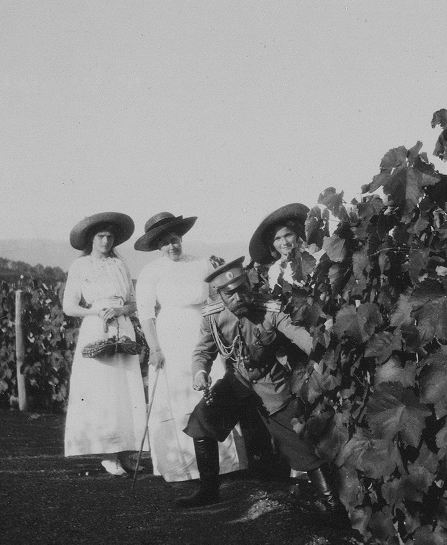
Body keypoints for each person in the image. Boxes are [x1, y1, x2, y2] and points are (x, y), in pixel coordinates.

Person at [176, 257, 342, 517]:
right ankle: (208, 490)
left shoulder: (270, 310)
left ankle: (333, 506)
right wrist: (200, 373)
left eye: (242, 289)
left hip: (270, 386)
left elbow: (298, 335)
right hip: (236, 384)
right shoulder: (213, 317)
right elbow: (202, 352)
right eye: (230, 294)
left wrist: (321, 349)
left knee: (300, 445)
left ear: (248, 285)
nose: (239, 298)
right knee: (201, 422)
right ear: (220, 294)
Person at [134, 212, 245, 482]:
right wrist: (155, 349)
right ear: (157, 247)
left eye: (175, 239)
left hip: (203, 331)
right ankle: (181, 466)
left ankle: (226, 464)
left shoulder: (202, 264)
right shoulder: (151, 272)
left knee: (213, 387)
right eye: (165, 242)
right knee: (178, 394)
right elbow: (146, 314)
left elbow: (217, 297)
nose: (172, 246)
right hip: (170, 335)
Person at [63, 212, 148, 476]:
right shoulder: (81, 266)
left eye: (110, 236)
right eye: (101, 236)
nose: (106, 241)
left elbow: (134, 302)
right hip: (96, 329)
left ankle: (126, 450)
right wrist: (96, 311)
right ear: (91, 239)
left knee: (126, 388)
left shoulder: (120, 265)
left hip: (123, 327)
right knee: (103, 390)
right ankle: (108, 453)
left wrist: (121, 310)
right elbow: (69, 307)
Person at [248, 202, 317, 298]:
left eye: (288, 235)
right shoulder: (275, 271)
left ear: (296, 235)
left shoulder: (313, 260)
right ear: (272, 244)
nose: (284, 242)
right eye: (277, 239)